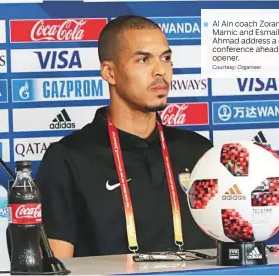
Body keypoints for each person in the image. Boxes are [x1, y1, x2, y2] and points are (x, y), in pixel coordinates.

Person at [36, 15, 216, 258]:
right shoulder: (68, 158)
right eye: (143, 60)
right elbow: (57, 267)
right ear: (109, 72)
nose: (160, 71)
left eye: (166, 58)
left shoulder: (199, 150)